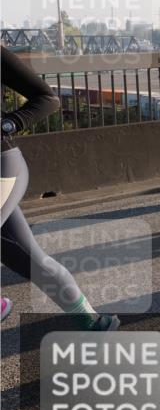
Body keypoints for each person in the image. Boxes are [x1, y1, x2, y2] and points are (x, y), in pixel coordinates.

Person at [1, 46, 120, 331]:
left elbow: (47, 98)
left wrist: (8, 123)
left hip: (3, 166)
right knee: (32, 260)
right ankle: (93, 323)